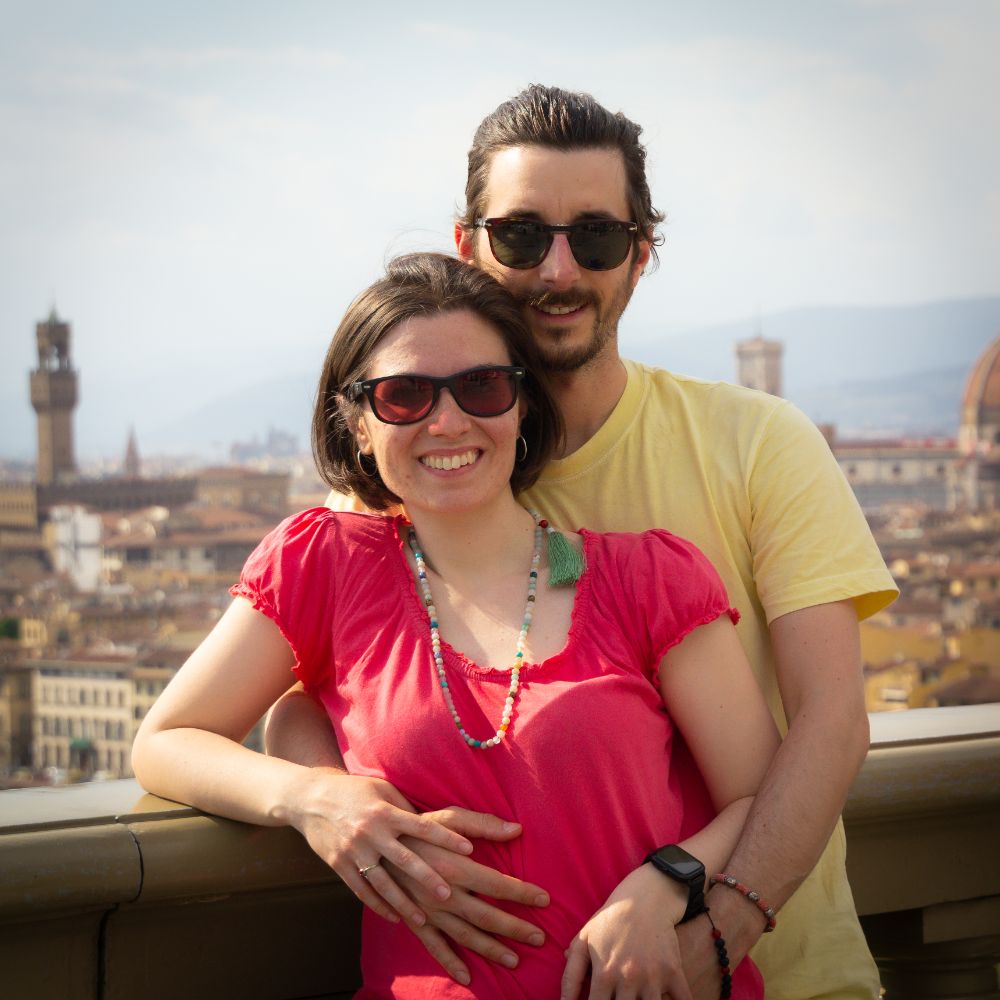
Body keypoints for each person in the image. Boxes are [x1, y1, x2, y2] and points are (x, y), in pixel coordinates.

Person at [265, 86, 899, 999]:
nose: (559, 270)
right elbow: (306, 700)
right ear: (467, 245)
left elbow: (833, 721)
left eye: (595, 238)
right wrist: (321, 798)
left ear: (641, 255)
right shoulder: (400, 478)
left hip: (790, 975)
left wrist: (712, 927)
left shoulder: (758, 443)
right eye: (522, 235)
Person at [132, 252, 780, 999]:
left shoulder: (650, 579)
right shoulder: (324, 567)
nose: (447, 420)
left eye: (482, 386)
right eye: (404, 395)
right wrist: (316, 800)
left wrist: (666, 887)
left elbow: (764, 796)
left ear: (523, 405)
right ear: (358, 425)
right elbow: (167, 742)